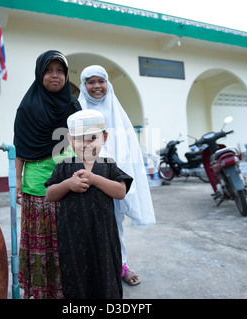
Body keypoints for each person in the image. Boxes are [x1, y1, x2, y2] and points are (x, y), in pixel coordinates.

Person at [78, 65, 156, 286]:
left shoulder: (116, 110)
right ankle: (92, 268)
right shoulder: (77, 110)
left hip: (112, 176)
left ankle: (120, 264)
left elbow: (127, 146)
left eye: (100, 81)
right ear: (84, 86)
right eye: (90, 82)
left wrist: (117, 174)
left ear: (108, 84)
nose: (96, 86)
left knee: (114, 223)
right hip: (85, 174)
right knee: (85, 223)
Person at [13, 50, 81, 299]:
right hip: (37, 187)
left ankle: (68, 290)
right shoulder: (27, 107)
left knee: (67, 242)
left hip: (71, 182)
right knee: (42, 243)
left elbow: (85, 143)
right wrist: (18, 182)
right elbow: (20, 148)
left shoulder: (73, 105)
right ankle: (43, 292)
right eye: (49, 70)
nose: (55, 75)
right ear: (40, 74)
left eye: (60, 71)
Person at [45, 109, 133, 299]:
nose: (85, 144)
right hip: (72, 240)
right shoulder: (64, 166)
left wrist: (93, 179)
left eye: (92, 138)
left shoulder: (108, 165)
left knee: (106, 276)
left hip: (104, 236)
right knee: (76, 279)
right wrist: (69, 184)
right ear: (70, 139)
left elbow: (120, 191)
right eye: (79, 139)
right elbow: (50, 194)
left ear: (105, 137)